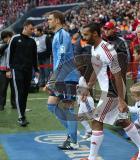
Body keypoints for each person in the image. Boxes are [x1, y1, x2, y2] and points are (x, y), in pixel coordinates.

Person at [80, 23, 140, 160]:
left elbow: (117, 75)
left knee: (96, 121)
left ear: (95, 34)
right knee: (123, 121)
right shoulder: (94, 48)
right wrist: (88, 87)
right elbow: (97, 69)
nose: (83, 37)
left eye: (86, 34)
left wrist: (121, 99)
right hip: (107, 91)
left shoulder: (107, 49)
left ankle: (91, 158)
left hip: (112, 91)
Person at [46, 11, 79, 150]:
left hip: (67, 77)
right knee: (51, 105)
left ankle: (73, 140)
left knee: (68, 106)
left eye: (50, 19)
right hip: (62, 77)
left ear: (58, 20)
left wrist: (52, 78)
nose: (48, 21)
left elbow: (62, 57)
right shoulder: (58, 35)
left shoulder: (63, 35)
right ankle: (72, 133)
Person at [6, 20, 39, 126]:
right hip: (17, 70)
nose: (33, 31)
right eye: (31, 29)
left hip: (28, 71)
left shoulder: (32, 41)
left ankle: (22, 114)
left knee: (25, 94)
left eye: (33, 29)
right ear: (25, 27)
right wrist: (8, 69)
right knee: (19, 93)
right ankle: (21, 117)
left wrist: (36, 70)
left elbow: (35, 57)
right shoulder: (15, 39)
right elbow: (9, 54)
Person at [0, 30, 16, 111]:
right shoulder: (1, 44)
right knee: (2, 88)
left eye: (9, 37)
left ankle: (14, 104)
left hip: (13, 70)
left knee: (14, 88)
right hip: (3, 70)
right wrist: (7, 44)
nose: (8, 38)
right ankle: (1, 105)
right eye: (6, 37)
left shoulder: (15, 44)